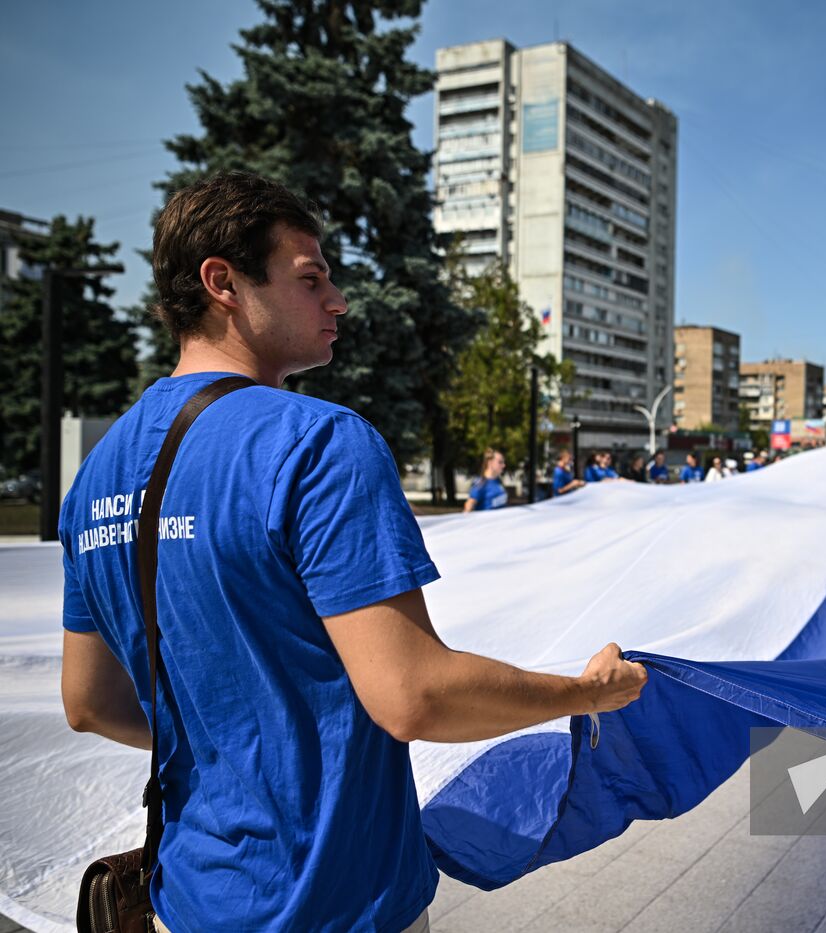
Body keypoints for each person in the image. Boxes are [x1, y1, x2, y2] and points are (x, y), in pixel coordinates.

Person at [58, 171, 647, 933]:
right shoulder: (317, 442)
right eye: (311, 278)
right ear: (223, 283)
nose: (338, 300)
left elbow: (89, 703)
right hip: (332, 901)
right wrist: (586, 693)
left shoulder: (96, 476)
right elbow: (414, 694)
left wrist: (236, 742)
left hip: (189, 897)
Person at [463, 448, 508, 512]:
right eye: (500, 462)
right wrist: (465, 515)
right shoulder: (481, 483)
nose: (504, 465)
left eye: (503, 462)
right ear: (490, 463)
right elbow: (470, 503)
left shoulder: (498, 481)